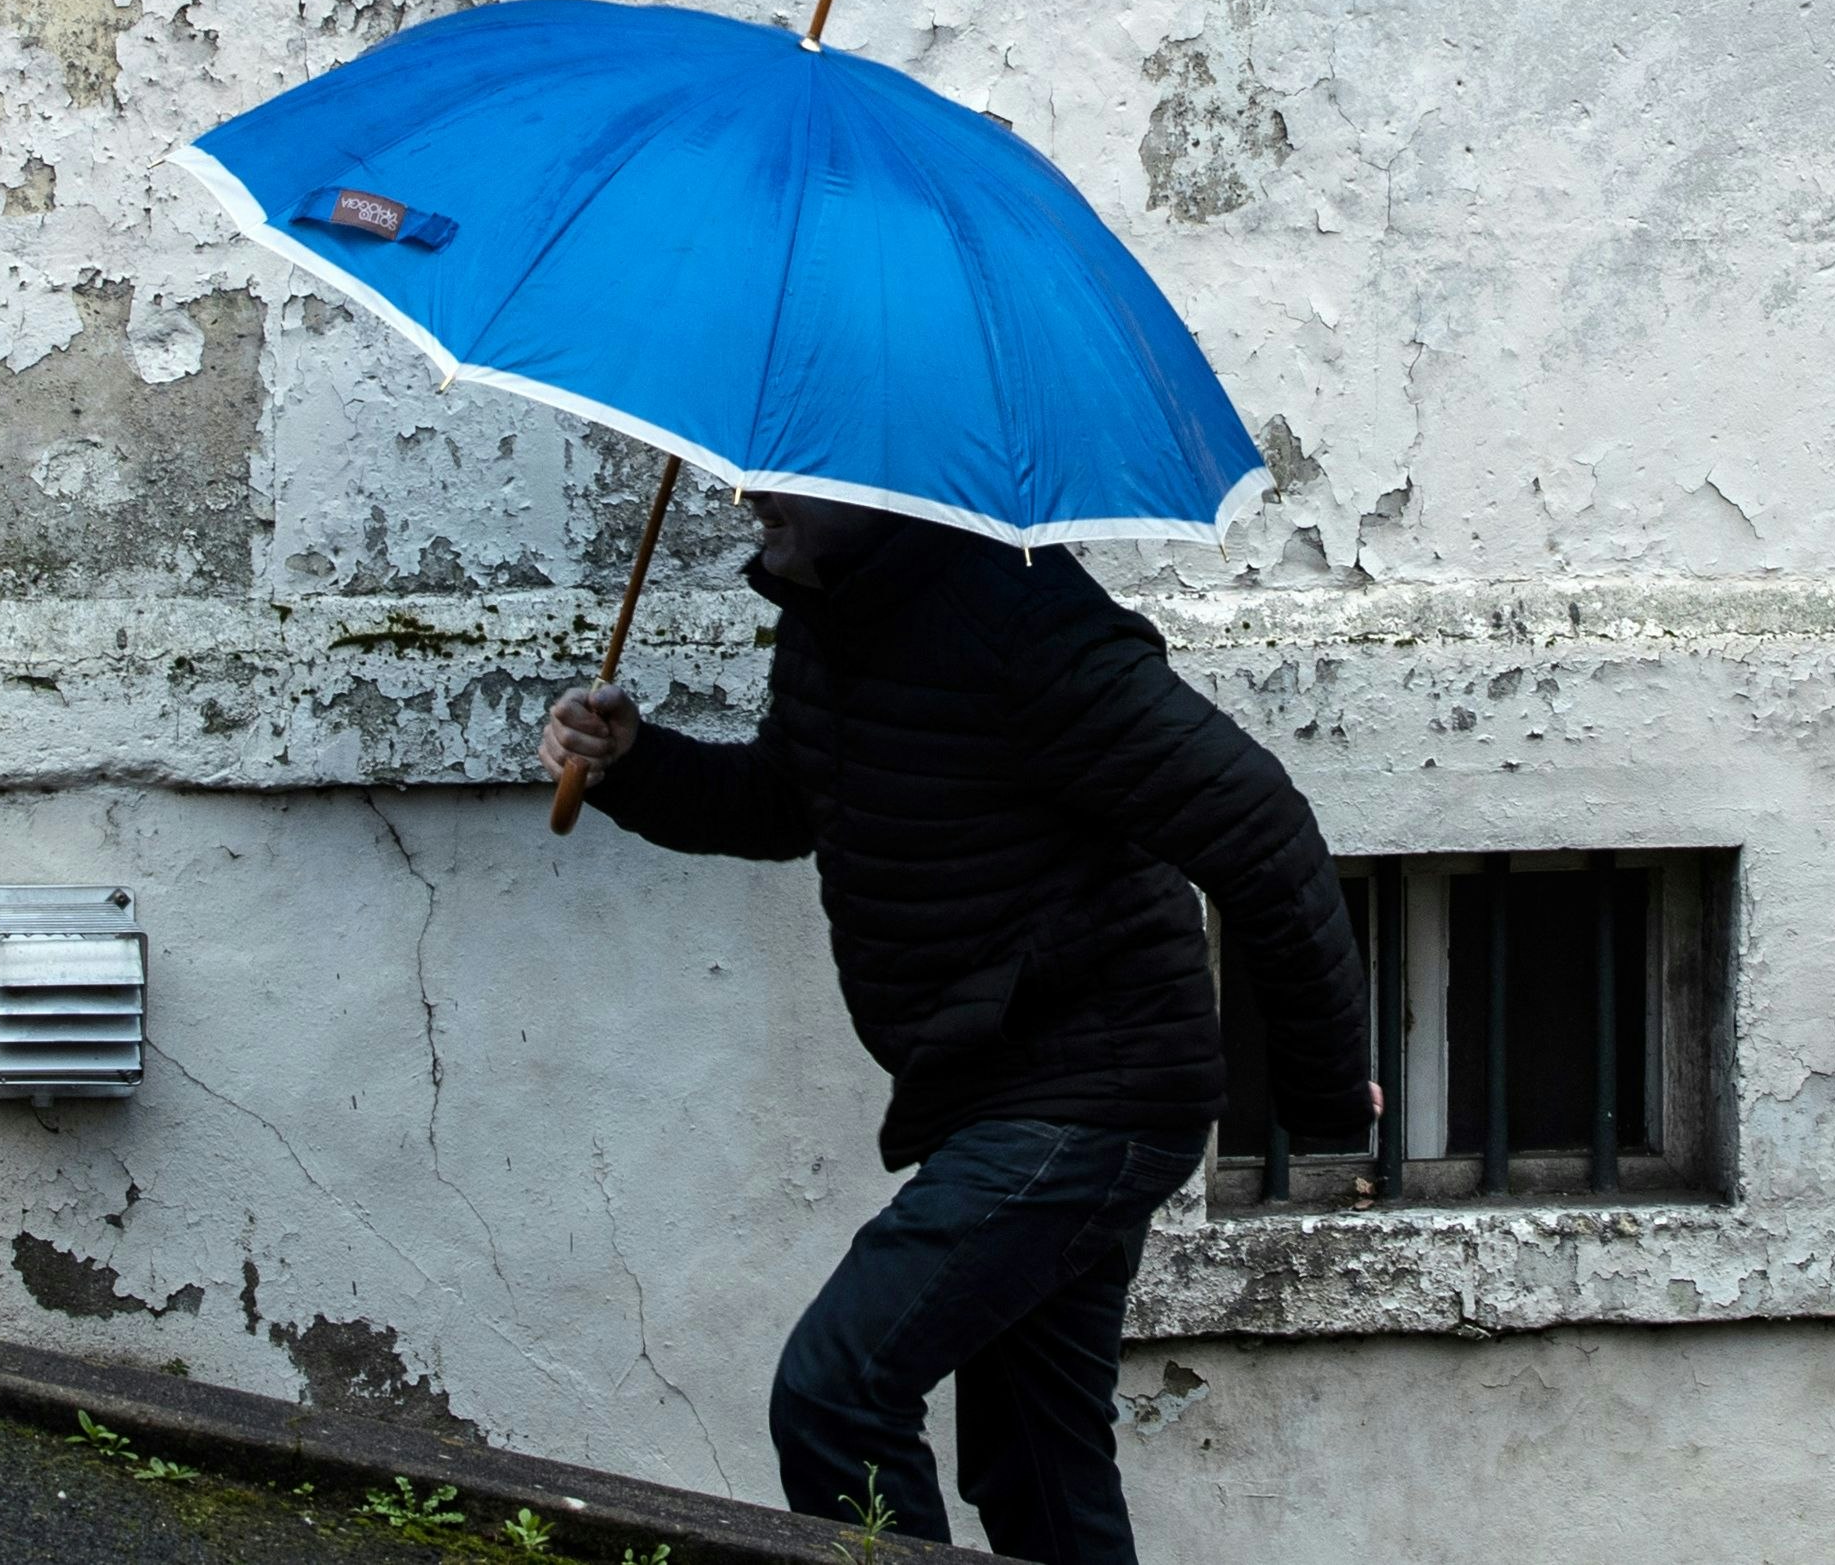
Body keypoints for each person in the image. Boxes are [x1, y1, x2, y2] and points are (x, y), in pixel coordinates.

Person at [540, 491, 1372, 1565]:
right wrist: (632, 761)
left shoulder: (1025, 622)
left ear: (867, 485)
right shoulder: (834, 609)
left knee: (837, 1390)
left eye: (784, 476)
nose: (747, 495)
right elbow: (788, 800)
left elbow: (1260, 830)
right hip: (996, 1087)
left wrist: (1321, 1092)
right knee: (1034, 1456)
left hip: (1094, 1089)